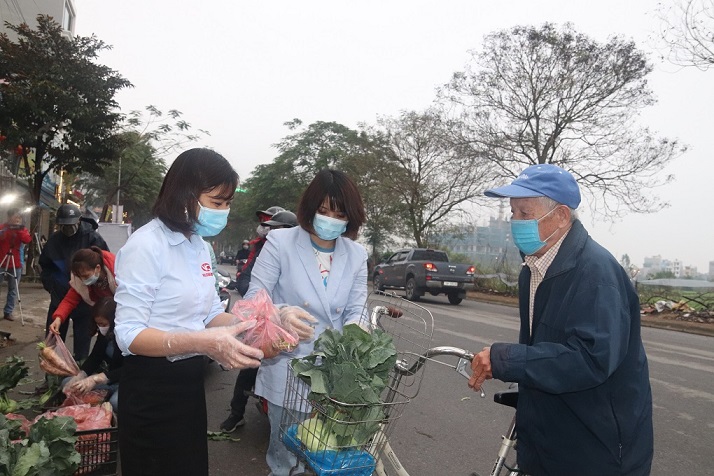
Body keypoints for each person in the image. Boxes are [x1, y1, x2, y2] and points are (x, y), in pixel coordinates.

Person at [468, 164, 653, 476]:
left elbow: (590, 360)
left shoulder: (596, 274)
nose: (515, 222)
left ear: (562, 216)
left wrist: (506, 359)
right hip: (550, 443)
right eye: (513, 213)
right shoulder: (533, 269)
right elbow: (545, 350)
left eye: (525, 213)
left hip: (595, 452)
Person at [113, 147, 263, 476]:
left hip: (189, 388)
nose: (223, 212)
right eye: (216, 203)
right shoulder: (146, 245)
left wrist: (263, 321)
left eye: (227, 204)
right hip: (151, 389)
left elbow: (209, 314)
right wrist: (199, 341)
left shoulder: (199, 246)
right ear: (184, 195)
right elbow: (128, 334)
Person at [244, 169, 368, 476]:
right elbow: (254, 298)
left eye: (339, 214)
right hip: (288, 366)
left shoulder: (356, 255)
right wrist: (281, 313)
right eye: (324, 211)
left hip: (334, 375)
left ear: (350, 218)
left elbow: (357, 308)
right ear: (310, 208)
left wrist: (359, 331)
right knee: (285, 458)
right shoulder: (280, 242)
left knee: (326, 456)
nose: (330, 220)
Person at [219, 209, 298, 433]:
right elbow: (246, 280)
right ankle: (236, 414)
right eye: (269, 228)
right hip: (263, 322)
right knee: (250, 366)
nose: (270, 232)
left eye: (276, 229)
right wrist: (259, 304)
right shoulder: (263, 249)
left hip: (291, 325)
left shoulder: (303, 255)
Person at [39, 204, 109, 360]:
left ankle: (79, 371)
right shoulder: (54, 241)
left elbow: (104, 266)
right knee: (52, 342)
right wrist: (51, 285)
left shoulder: (92, 239)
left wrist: (94, 290)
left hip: (85, 299)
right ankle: (52, 372)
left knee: (82, 344)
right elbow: (45, 266)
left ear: (79, 221)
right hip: (60, 296)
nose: (68, 229)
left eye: (71, 225)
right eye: (64, 226)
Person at [62, 296, 123, 412]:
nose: (101, 327)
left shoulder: (126, 338)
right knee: (68, 383)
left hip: (125, 381)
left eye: (103, 324)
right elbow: (95, 356)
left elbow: (130, 368)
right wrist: (82, 375)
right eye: (98, 324)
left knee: (115, 403)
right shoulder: (104, 334)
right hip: (110, 381)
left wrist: (99, 378)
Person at [48, 246, 117, 335]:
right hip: (105, 318)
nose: (83, 280)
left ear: (98, 268)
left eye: (86, 276)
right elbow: (70, 300)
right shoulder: (80, 280)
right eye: (80, 277)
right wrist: (58, 318)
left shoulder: (118, 273)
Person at [234, 205, 285, 297]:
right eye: (262, 221)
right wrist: (253, 294)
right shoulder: (260, 246)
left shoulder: (294, 252)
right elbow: (246, 275)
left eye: (266, 221)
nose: (263, 226)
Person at [0, 208, 31, 321]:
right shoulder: (3, 228)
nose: (18, 219)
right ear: (9, 217)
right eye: (15, 217)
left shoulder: (22, 229)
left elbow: (27, 240)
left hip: (16, 263)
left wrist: (19, 230)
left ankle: (8, 312)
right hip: (2, 261)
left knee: (13, 289)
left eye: (19, 217)